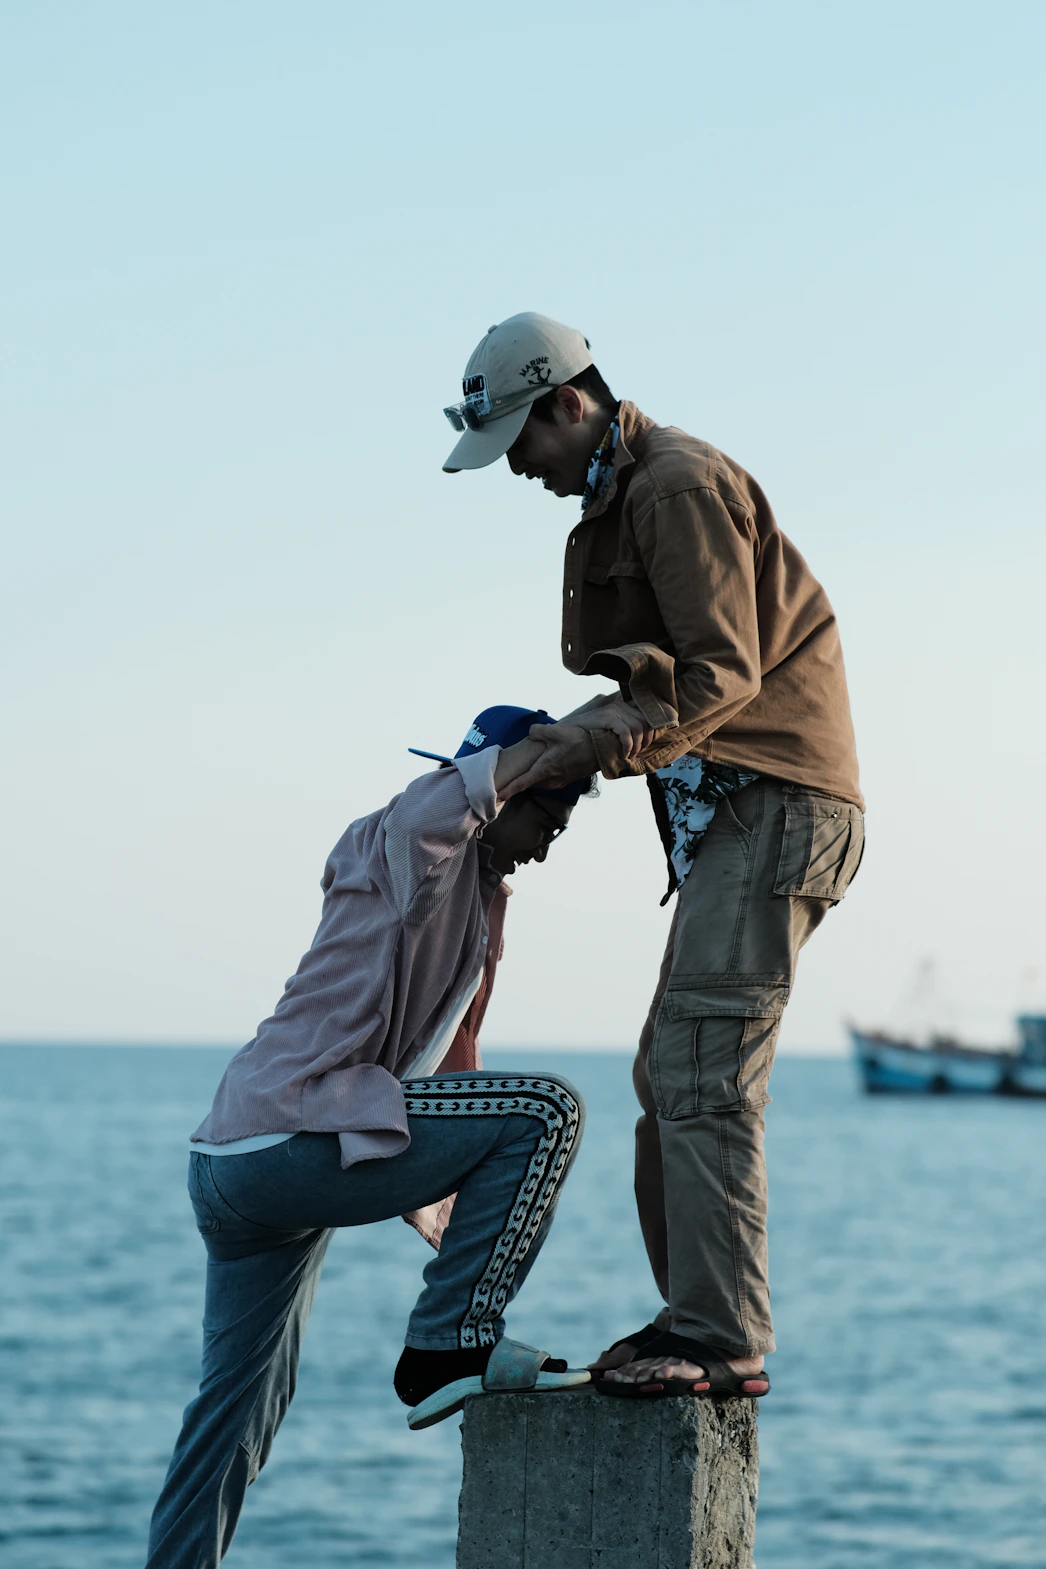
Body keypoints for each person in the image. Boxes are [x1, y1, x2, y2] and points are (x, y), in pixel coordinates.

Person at [441, 313, 866, 1401]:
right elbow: (663, 688)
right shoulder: (625, 492)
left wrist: (572, 746)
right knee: (668, 1075)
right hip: (744, 810)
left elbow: (716, 678)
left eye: (519, 446)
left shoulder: (672, 487)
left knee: (701, 1077)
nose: (517, 473)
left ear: (567, 405)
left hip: (774, 804)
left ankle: (721, 1341)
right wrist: (562, 757)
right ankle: (694, 1319)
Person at [145, 704, 597, 1569]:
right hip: (288, 1135)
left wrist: (446, 1211)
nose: (550, 843)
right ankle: (446, 1345)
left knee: (239, 1413)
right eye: (549, 815)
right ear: (509, 791)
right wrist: (568, 741)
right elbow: (447, 803)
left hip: (242, 1158)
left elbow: (457, 1073)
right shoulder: (412, 841)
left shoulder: (480, 907)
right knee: (549, 1108)